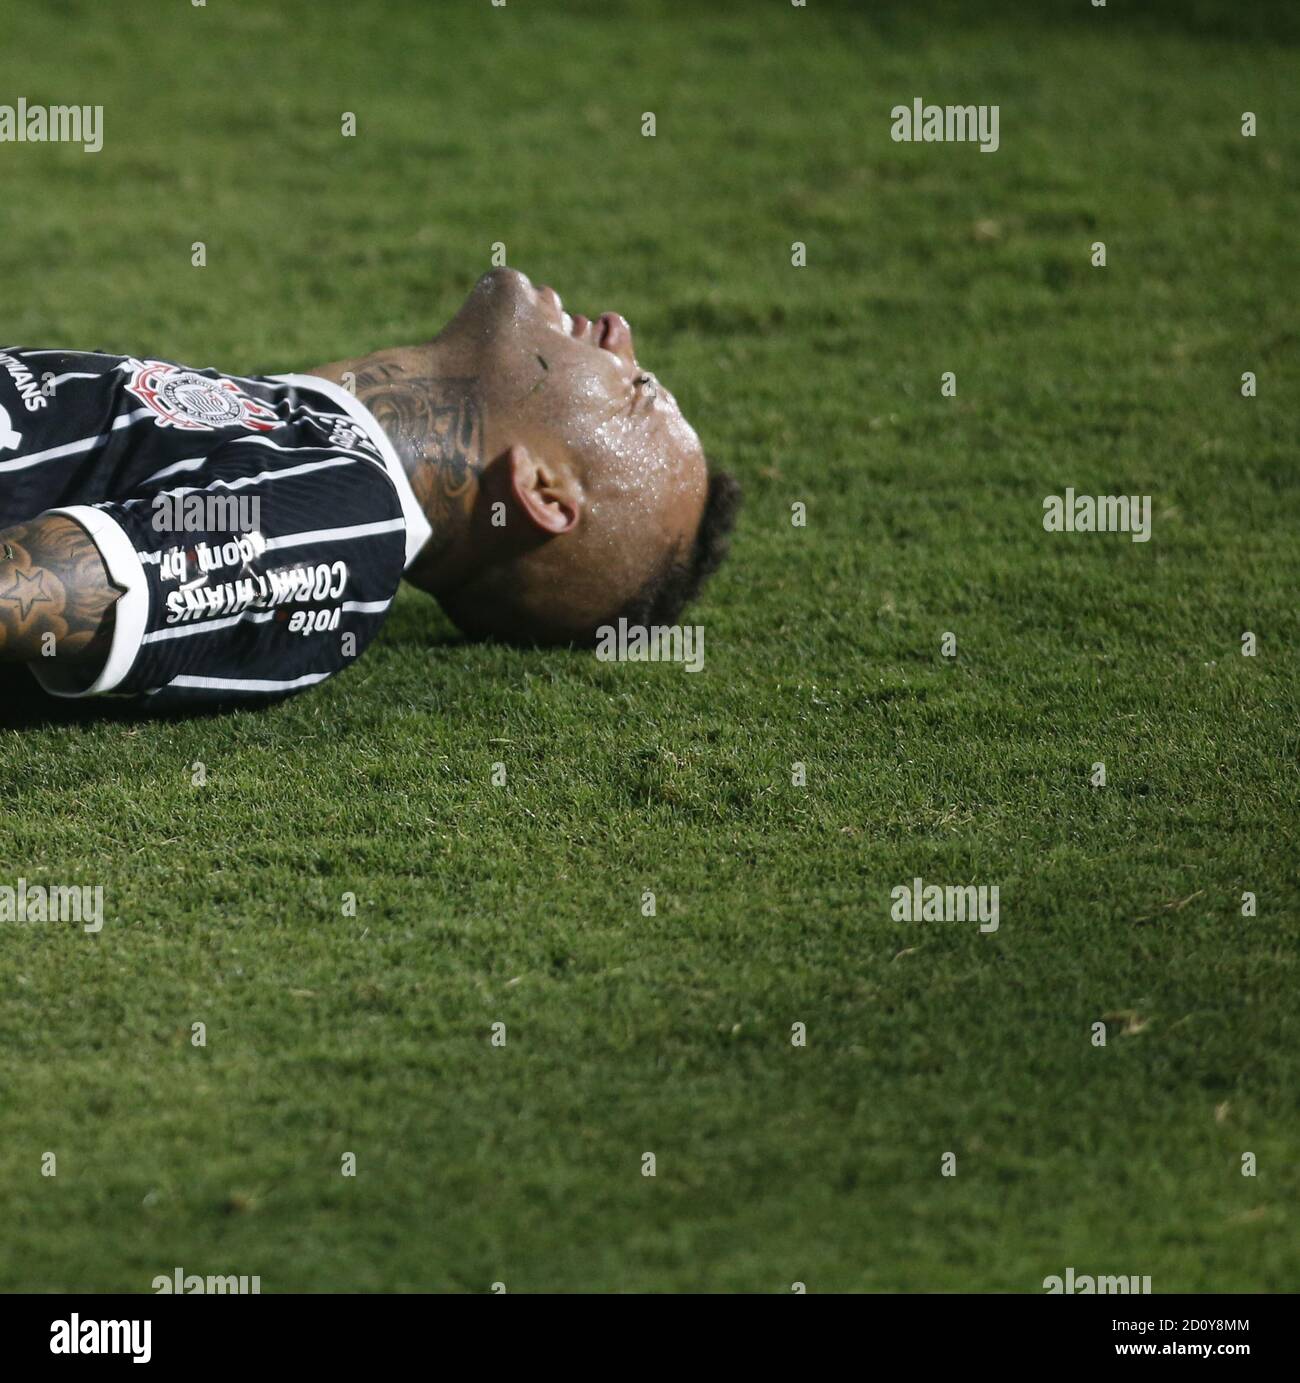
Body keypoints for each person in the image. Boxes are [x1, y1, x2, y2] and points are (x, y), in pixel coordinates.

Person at [0, 268, 740, 707]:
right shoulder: (313, 436)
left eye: (636, 387)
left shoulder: (349, 516)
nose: (618, 330)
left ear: (543, 492)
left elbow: (36, 590)